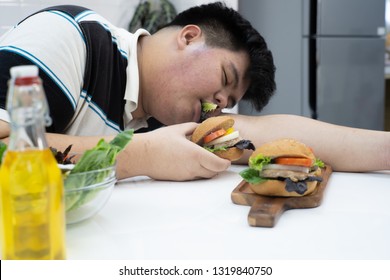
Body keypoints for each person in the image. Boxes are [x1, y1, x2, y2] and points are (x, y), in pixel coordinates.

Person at [0, 2, 389, 181]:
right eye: (224, 78)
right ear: (189, 37)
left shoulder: (164, 115)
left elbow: (279, 134)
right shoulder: (72, 37)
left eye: (229, 101)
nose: (220, 104)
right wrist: (142, 156)